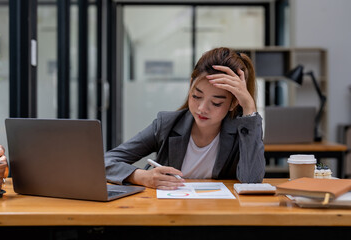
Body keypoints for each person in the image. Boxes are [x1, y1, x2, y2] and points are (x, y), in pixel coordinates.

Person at [105, 47, 265, 190]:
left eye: (216, 103)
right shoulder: (166, 125)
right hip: (170, 214)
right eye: (196, 96)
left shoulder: (243, 131)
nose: (202, 108)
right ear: (190, 87)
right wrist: (142, 177)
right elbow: (106, 162)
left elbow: (252, 181)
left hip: (220, 216)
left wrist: (249, 109)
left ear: (233, 103)